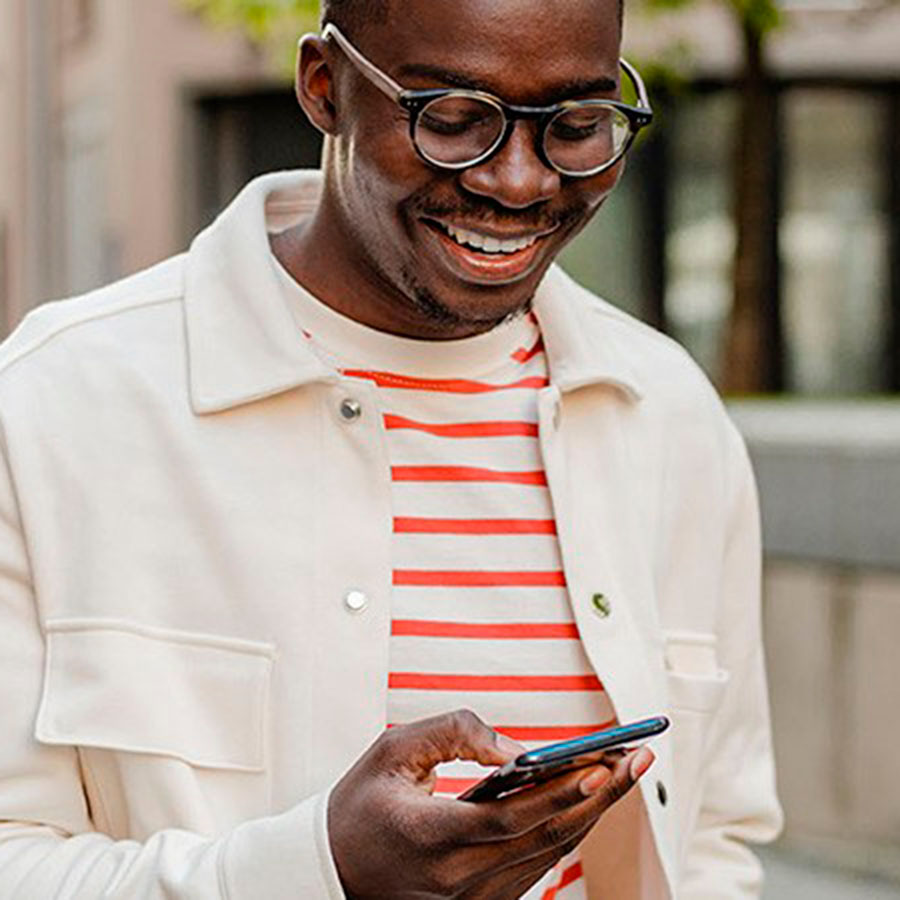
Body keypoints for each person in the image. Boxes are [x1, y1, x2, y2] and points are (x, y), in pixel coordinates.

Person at [0, 0, 782, 896]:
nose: (521, 183)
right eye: (452, 119)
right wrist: (317, 874)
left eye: (573, 126)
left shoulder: (670, 414)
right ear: (325, 87)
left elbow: (716, 838)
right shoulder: (51, 407)